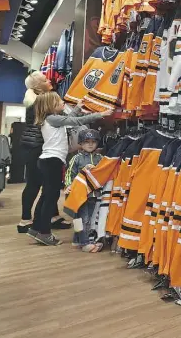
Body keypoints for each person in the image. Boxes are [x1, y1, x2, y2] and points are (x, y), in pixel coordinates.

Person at [28, 92, 112, 246]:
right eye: (59, 101)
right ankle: (45, 233)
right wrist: (100, 114)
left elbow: (69, 120)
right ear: (51, 105)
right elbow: (75, 121)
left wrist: (78, 108)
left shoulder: (52, 119)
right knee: (50, 199)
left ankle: (36, 228)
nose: (62, 103)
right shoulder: (52, 119)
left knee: (45, 196)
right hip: (51, 162)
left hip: (47, 161)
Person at [18, 72, 67, 233]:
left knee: (48, 184)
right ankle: (25, 220)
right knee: (35, 183)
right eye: (45, 80)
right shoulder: (39, 101)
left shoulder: (37, 99)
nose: (49, 80)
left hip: (37, 145)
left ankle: (52, 216)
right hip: (37, 146)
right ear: (38, 86)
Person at [64, 129, 103, 252]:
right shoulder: (76, 158)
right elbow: (69, 173)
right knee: (83, 219)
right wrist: (68, 185)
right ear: (80, 143)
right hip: (79, 194)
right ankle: (85, 243)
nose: (90, 144)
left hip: (94, 194)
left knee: (85, 218)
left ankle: (77, 240)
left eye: (93, 141)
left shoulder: (101, 158)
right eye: (86, 142)